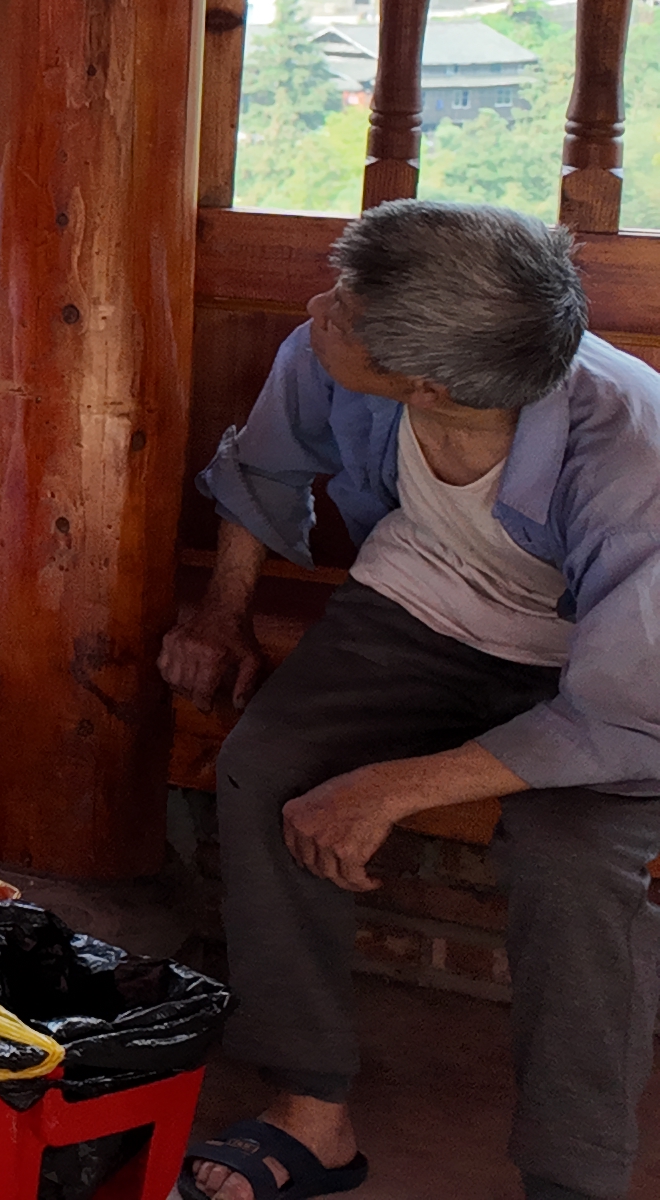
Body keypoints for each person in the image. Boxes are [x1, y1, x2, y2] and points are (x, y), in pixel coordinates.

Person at [163, 200, 660, 1200]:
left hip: (613, 682)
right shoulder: (334, 347)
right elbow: (267, 467)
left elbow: (622, 713)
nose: (317, 309)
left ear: (427, 384)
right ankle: (312, 1115)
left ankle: (574, 1177)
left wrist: (388, 788)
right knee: (267, 767)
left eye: (343, 313)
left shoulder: (632, 453)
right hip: (418, 611)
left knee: (576, 864)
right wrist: (225, 614)